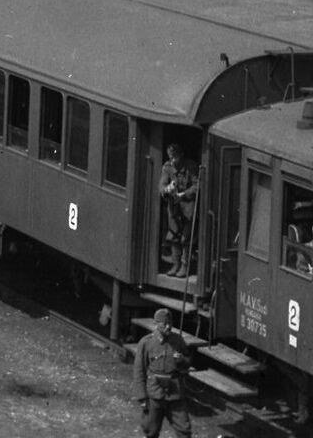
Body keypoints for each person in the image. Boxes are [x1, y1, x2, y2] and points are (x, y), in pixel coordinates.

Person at [132, 308, 191, 437]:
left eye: (170, 323)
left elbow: (188, 362)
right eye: (164, 324)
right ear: (156, 324)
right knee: (150, 430)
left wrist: (181, 360)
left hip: (175, 393)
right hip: (154, 394)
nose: (168, 327)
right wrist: (142, 397)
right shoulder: (147, 343)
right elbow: (139, 370)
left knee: (184, 430)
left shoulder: (178, 340)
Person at [159, 144, 198, 278]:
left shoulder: (191, 166)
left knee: (186, 238)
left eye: (174, 157)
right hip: (174, 208)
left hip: (188, 207)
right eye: (170, 157)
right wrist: (167, 189)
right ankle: (175, 264)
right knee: (174, 235)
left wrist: (183, 194)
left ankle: (185, 266)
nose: (172, 160)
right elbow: (162, 187)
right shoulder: (167, 167)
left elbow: (197, 186)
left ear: (181, 155)